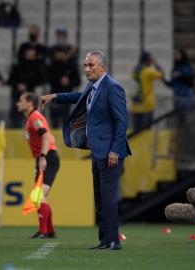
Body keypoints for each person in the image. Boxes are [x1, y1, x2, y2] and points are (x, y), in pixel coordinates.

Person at [41, 50, 131, 250]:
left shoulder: (113, 87)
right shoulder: (94, 86)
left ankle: (113, 241)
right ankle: (105, 240)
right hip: (98, 151)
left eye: (91, 65)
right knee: (100, 198)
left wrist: (115, 150)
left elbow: (121, 121)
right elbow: (78, 97)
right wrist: (55, 97)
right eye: (85, 65)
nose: (87, 69)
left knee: (108, 198)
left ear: (103, 67)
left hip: (110, 153)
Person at [17, 92, 60, 238]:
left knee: (39, 196)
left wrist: (43, 156)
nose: (18, 103)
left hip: (48, 157)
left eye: (21, 101)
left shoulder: (35, 117)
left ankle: (43, 231)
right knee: (39, 197)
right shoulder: (30, 119)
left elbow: (46, 135)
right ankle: (49, 231)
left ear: (30, 103)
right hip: (44, 157)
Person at [7, 48, 45, 128]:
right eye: (29, 54)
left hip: (30, 97)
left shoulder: (37, 67)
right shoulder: (17, 66)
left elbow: (41, 79)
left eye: (32, 54)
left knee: (31, 117)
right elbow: (10, 80)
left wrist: (27, 85)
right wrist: (18, 85)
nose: (30, 56)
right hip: (17, 95)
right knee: (15, 116)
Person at [46, 47, 80, 128]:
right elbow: (48, 78)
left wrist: (69, 82)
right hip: (55, 96)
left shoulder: (72, 66)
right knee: (54, 121)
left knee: (66, 122)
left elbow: (77, 81)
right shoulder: (54, 65)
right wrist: (59, 81)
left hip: (67, 99)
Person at [130, 51, 164, 132]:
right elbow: (161, 75)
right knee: (146, 132)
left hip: (136, 105)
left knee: (136, 133)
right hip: (147, 105)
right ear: (148, 60)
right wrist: (156, 64)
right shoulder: (148, 71)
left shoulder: (134, 71)